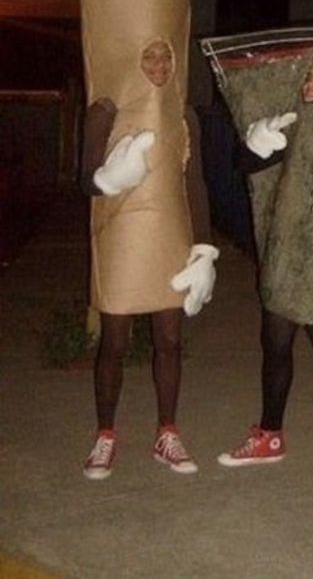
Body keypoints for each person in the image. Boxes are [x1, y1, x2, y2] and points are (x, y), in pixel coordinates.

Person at [218, 52, 313, 506]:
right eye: (309, 75)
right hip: (283, 254)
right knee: (275, 347)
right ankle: (270, 434)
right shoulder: (289, 122)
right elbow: (246, 168)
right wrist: (255, 145)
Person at [80, 39, 218, 480]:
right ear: (131, 58)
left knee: (169, 340)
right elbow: (84, 180)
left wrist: (204, 248)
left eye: (166, 56)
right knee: (115, 342)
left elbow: (194, 184)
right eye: (148, 55)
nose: (158, 64)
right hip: (122, 235)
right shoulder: (106, 109)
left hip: (169, 236)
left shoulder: (183, 113)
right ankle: (105, 434)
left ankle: (167, 433)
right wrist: (107, 178)